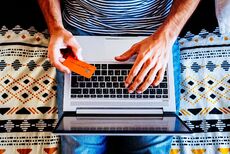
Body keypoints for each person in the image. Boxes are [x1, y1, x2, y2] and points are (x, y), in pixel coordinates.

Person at [37, 0, 200, 153]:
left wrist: (166, 36)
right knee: (80, 146)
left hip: (156, 34)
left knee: (151, 145)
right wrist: (56, 28)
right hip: (80, 36)